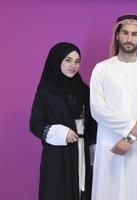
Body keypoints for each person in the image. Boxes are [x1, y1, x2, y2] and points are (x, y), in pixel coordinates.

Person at [90, 14, 137, 200]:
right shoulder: (101, 69)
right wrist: (131, 126)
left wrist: (129, 138)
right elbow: (97, 109)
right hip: (109, 145)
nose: (129, 39)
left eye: (134, 34)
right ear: (117, 35)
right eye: (125, 33)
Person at [29, 42, 97, 200]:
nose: (73, 65)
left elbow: (93, 124)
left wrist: (94, 155)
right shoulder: (45, 92)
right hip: (57, 155)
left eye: (77, 61)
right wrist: (61, 132)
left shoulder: (84, 90)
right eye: (68, 60)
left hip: (82, 151)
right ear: (57, 60)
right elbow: (35, 124)